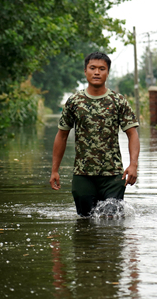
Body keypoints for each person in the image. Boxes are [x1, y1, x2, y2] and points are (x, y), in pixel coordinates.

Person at [49, 52, 140, 217]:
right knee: (85, 222)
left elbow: (132, 134)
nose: (97, 72)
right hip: (83, 176)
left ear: (107, 72)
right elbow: (61, 136)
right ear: (85, 71)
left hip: (113, 176)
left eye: (101, 69)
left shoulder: (118, 101)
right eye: (92, 68)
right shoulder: (74, 102)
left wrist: (133, 165)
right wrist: (55, 170)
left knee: (111, 222)